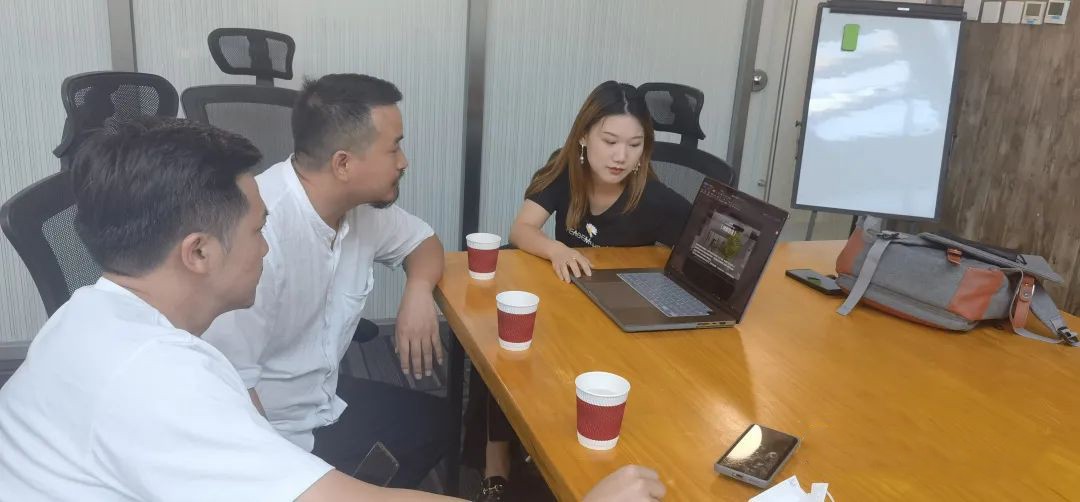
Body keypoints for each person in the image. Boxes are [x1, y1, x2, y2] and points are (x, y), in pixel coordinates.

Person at [0, 117, 667, 502]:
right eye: (257, 230)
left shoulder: (91, 318)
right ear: (198, 252)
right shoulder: (156, 379)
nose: (268, 246)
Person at [201, 73, 451, 487]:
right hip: (270, 431)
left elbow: (424, 242)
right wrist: (289, 480)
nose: (403, 162)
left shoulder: (360, 210)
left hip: (322, 398)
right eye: (394, 148)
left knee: (437, 423)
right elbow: (231, 391)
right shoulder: (257, 235)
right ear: (343, 164)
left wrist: (419, 291)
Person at [466, 81, 692, 500]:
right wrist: (555, 249)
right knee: (501, 345)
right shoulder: (566, 168)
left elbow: (699, 255)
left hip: (617, 327)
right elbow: (522, 228)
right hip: (565, 304)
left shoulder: (656, 199)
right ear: (584, 136)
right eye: (610, 141)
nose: (621, 156)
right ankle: (496, 465)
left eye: (635, 145)